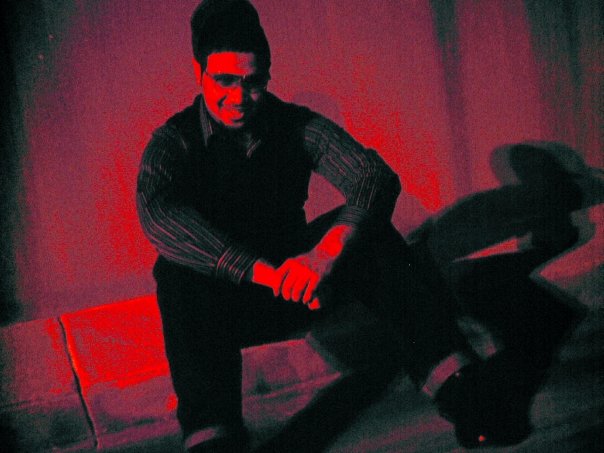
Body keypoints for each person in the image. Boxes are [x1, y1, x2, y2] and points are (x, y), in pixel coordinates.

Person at [136, 1, 532, 451]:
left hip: (306, 284)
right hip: (229, 301)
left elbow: (372, 177)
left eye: (254, 82)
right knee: (176, 273)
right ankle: (213, 440)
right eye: (225, 81)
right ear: (199, 72)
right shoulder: (173, 142)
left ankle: (461, 389)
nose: (240, 97)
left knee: (370, 233)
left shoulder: (296, 123)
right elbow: (160, 216)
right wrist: (266, 272)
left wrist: (326, 252)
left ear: (267, 75)